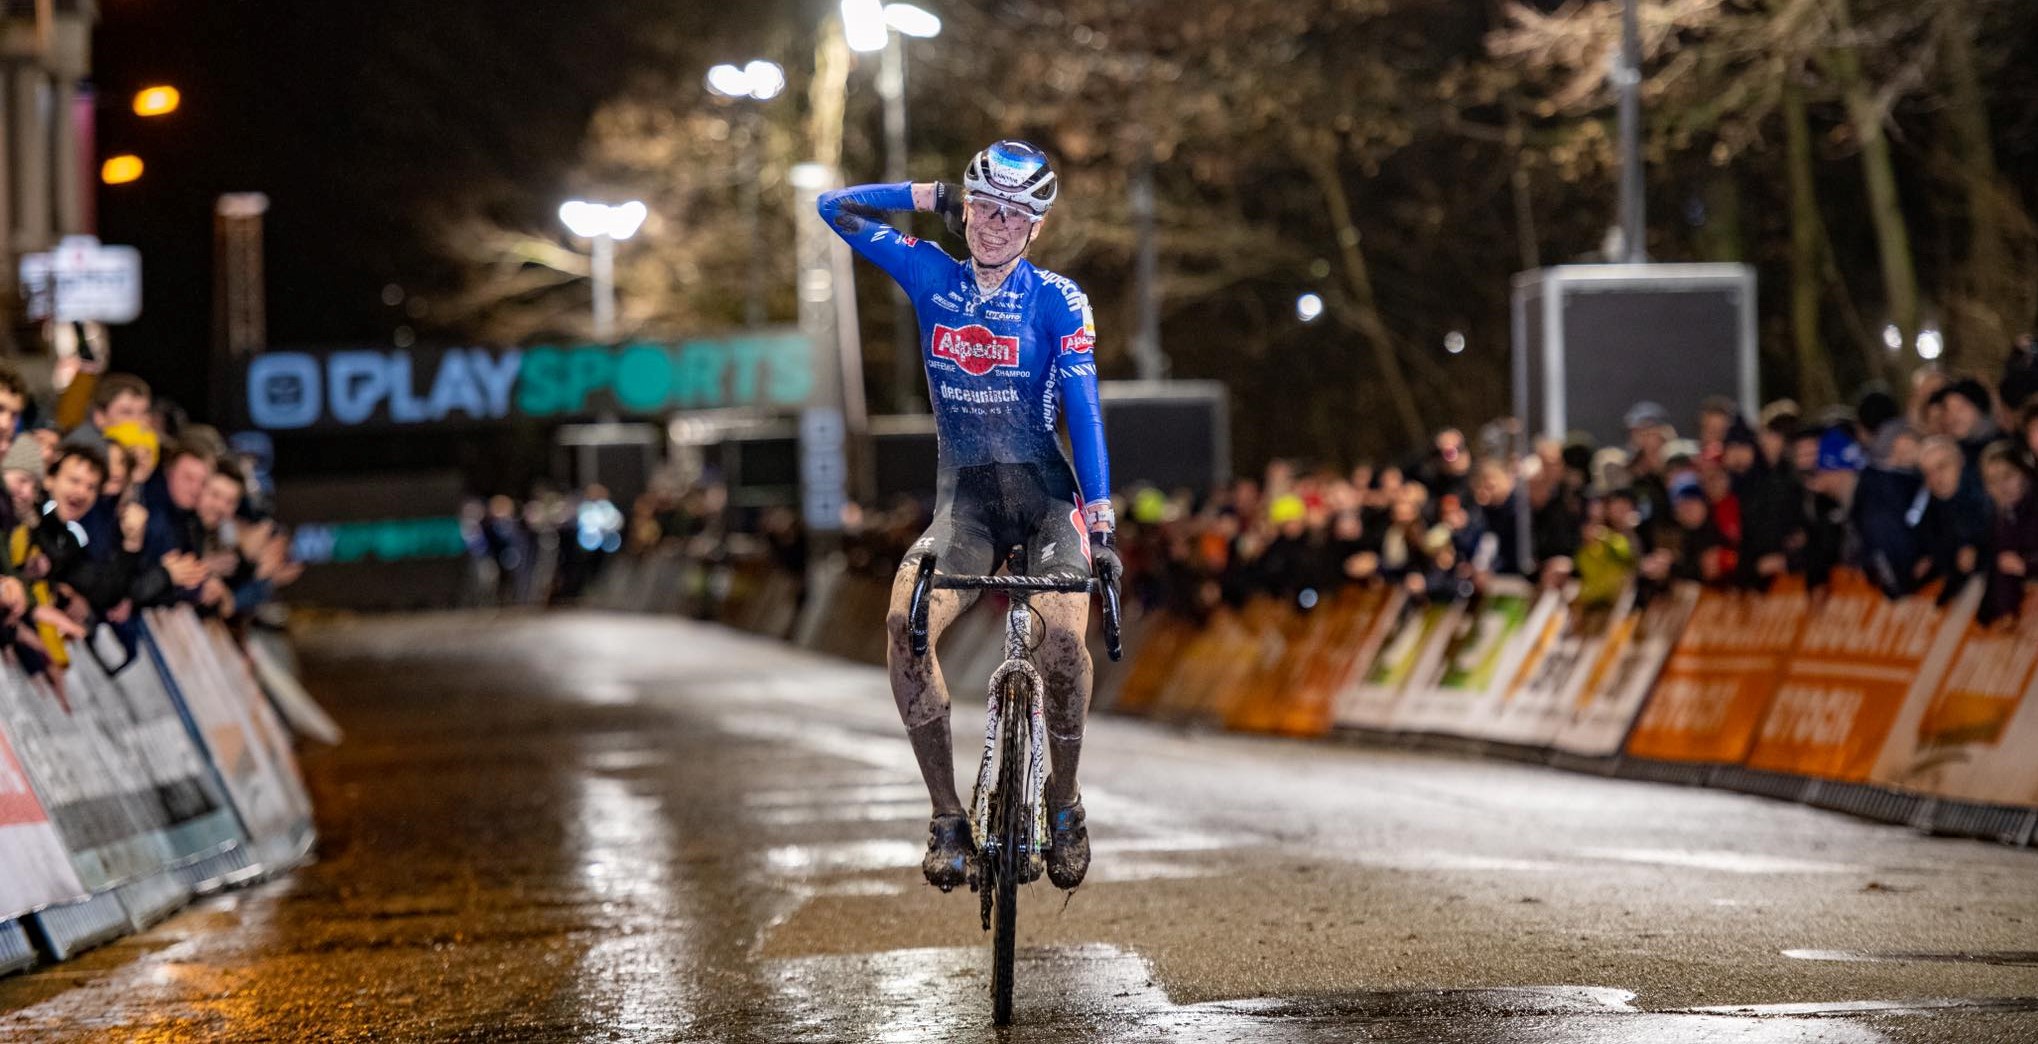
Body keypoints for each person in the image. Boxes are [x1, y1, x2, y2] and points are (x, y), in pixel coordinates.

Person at [818, 140, 1118, 892]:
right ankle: (947, 816)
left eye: (1015, 215)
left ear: (1035, 229)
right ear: (965, 208)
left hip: (1048, 502)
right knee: (901, 621)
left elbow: (1083, 411)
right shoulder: (929, 274)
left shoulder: (1058, 300)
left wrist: (1103, 524)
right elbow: (835, 207)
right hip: (966, 509)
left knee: (1060, 642)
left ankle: (1064, 803)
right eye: (983, 207)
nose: (995, 225)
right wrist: (927, 193)